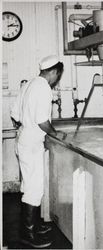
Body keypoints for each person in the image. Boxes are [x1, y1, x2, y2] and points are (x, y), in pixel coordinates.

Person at [10, 55, 66, 248]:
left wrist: (26, 124)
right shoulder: (43, 88)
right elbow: (43, 121)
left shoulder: (28, 84)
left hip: (23, 139)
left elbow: (15, 114)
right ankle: (27, 234)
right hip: (32, 144)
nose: (56, 79)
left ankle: (33, 225)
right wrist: (55, 133)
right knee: (34, 188)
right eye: (57, 75)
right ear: (54, 72)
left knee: (28, 185)